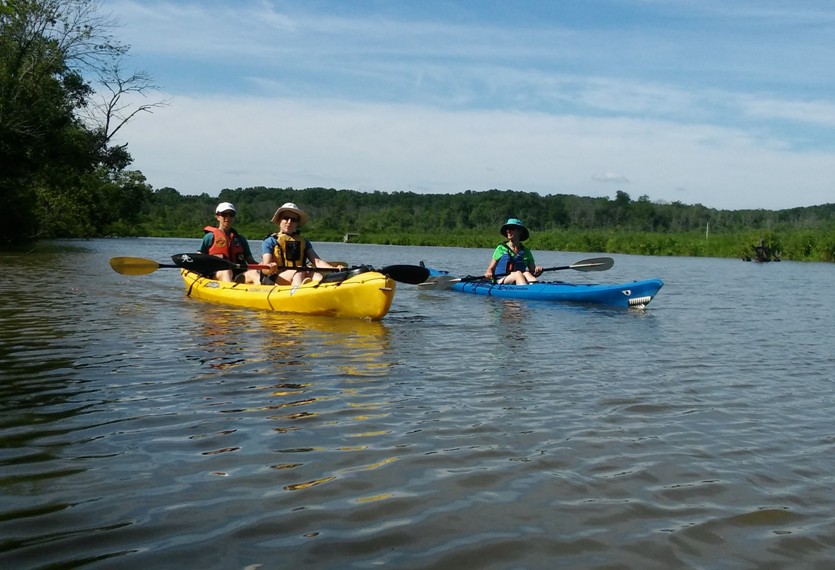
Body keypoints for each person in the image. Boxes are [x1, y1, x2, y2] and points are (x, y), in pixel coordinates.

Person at [260, 202, 342, 285]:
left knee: (313, 273)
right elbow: (265, 269)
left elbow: (317, 261)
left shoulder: (304, 242)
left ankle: (323, 288)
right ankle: (299, 291)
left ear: (297, 224)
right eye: (286, 218)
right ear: (279, 221)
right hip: (277, 278)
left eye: (293, 220)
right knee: (300, 270)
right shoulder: (270, 241)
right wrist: (270, 267)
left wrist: (334, 269)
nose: (289, 222)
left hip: (300, 273)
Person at [199, 202, 262, 284]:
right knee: (226, 272)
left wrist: (263, 265)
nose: (228, 217)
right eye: (224, 214)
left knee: (254, 273)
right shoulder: (210, 237)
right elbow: (199, 257)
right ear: (217, 217)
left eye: (231, 214)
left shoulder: (240, 239)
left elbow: (251, 262)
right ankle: (230, 293)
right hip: (217, 274)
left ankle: (260, 293)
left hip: (238, 275)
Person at [484, 218, 543, 284]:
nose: (508, 231)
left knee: (526, 273)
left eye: (511, 228)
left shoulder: (526, 251)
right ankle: (524, 291)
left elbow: (533, 271)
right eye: (507, 229)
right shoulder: (501, 248)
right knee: (518, 273)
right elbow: (490, 268)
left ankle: (535, 287)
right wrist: (489, 272)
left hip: (519, 278)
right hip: (501, 280)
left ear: (519, 231)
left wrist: (538, 271)